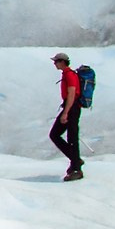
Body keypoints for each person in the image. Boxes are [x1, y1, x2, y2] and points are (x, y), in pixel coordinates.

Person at [49, 53, 84, 181]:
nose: (54, 64)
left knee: (71, 137)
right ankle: (75, 161)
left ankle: (76, 169)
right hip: (71, 107)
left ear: (62, 62)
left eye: (56, 61)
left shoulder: (69, 75)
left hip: (72, 108)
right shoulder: (67, 74)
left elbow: (72, 94)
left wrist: (66, 112)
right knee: (58, 135)